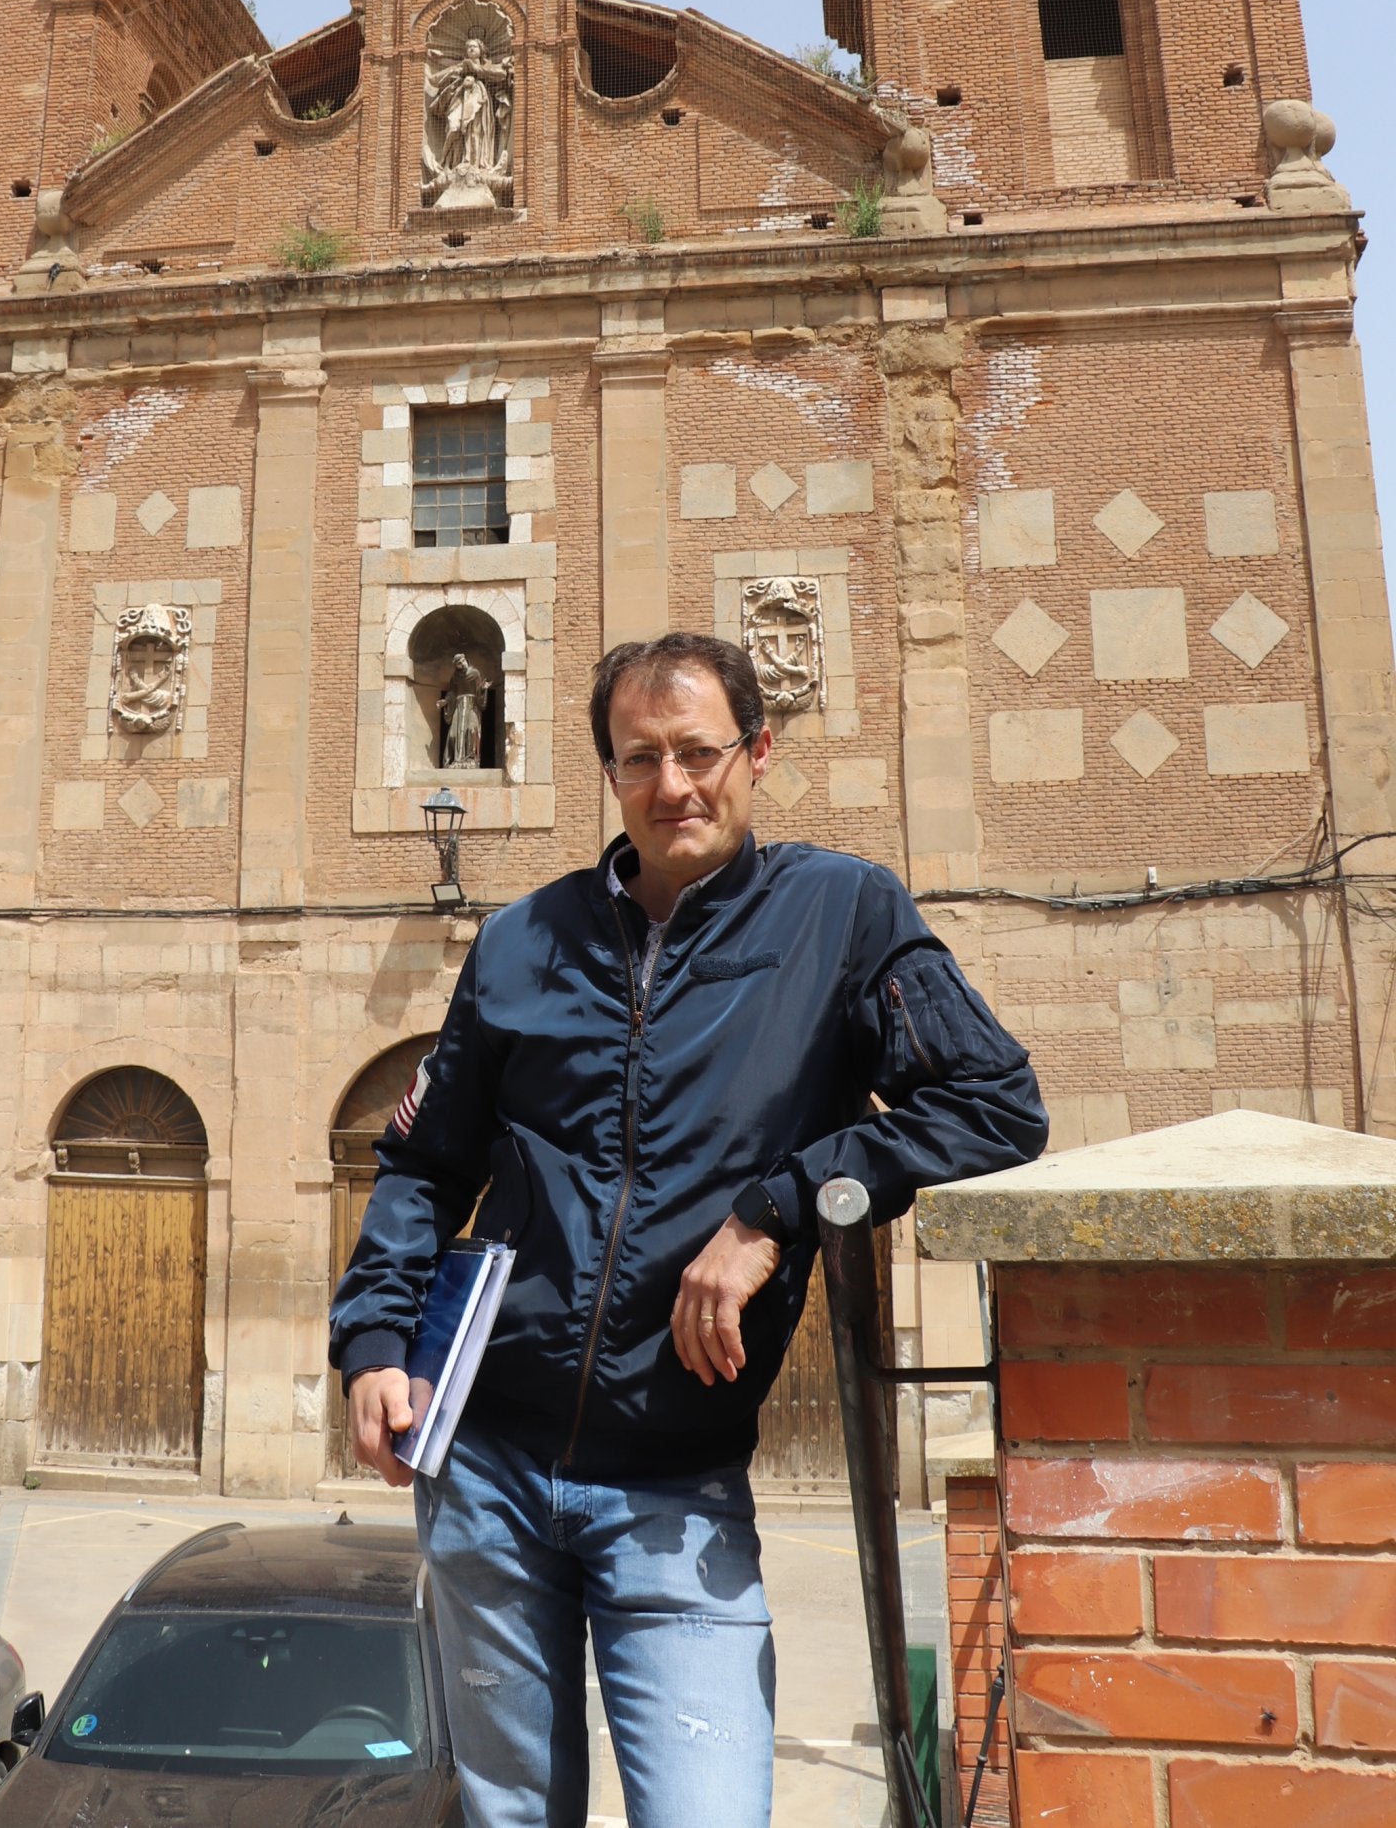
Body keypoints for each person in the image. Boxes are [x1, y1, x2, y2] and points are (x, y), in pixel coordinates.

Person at [330, 629, 1047, 1828]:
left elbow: (993, 1105)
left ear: (758, 752)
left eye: (699, 752)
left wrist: (782, 1205)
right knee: (509, 1818)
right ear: (610, 775)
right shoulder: (521, 942)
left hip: (677, 1495)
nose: (673, 786)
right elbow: (420, 1162)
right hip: (487, 1476)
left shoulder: (843, 916)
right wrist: (372, 1342)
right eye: (639, 759)